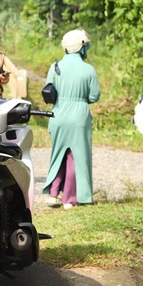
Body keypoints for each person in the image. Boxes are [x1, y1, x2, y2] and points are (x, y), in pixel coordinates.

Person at [43, 29, 100, 209]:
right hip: (79, 116)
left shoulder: (55, 66)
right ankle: (70, 198)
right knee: (76, 157)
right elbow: (94, 96)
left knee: (58, 154)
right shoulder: (89, 69)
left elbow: (48, 91)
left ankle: (53, 194)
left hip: (58, 114)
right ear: (82, 46)